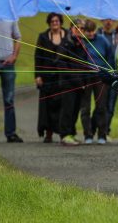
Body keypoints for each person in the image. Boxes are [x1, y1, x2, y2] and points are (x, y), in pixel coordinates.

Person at [79, 19, 115, 144]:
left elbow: (110, 58)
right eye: (87, 31)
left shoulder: (102, 40)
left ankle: (102, 135)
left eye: (91, 31)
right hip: (86, 77)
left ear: (95, 30)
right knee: (85, 107)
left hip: (101, 77)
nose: (89, 34)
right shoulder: (81, 41)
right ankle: (87, 134)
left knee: (101, 106)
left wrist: (110, 74)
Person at [34, 13, 66, 143]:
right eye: (52, 21)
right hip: (46, 77)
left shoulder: (68, 36)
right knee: (46, 106)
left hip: (63, 77)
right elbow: (38, 57)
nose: (55, 23)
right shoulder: (43, 37)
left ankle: (63, 132)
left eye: (57, 21)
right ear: (49, 23)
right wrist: (37, 75)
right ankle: (48, 132)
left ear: (61, 22)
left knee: (62, 105)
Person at [58, 18, 89, 146]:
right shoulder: (65, 43)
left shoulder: (82, 44)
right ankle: (65, 134)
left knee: (76, 109)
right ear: (71, 29)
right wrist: (77, 81)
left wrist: (85, 81)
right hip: (68, 83)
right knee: (67, 109)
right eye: (77, 28)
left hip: (80, 84)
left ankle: (71, 132)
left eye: (82, 29)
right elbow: (63, 65)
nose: (79, 31)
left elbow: (85, 64)